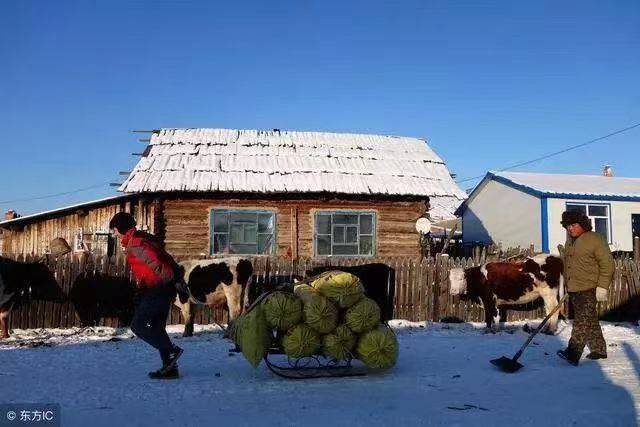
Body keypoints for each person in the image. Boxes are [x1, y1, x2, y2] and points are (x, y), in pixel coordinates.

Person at [109, 212, 183, 379]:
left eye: (114, 230)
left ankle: (171, 351)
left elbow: (157, 264)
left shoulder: (136, 244)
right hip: (159, 288)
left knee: (138, 326)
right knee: (157, 327)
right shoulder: (142, 239)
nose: (114, 234)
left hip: (157, 288)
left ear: (120, 228)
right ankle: (170, 368)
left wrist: (171, 279)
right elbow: (164, 259)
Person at [557, 210, 613, 366]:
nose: (570, 229)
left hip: (590, 288)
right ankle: (599, 349)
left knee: (581, 321)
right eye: (568, 226)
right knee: (590, 320)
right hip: (575, 289)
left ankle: (572, 352)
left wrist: (602, 287)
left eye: (574, 225)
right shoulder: (570, 241)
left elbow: (607, 264)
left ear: (583, 224)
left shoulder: (595, 239)